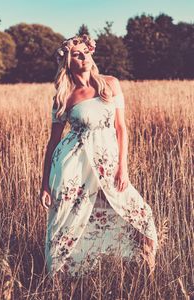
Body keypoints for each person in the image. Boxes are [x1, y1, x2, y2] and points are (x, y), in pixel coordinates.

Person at [39, 34, 158, 278]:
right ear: (66, 62)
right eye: (76, 54)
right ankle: (57, 276)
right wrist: (44, 185)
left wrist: (122, 168)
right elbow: (53, 143)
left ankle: (147, 272)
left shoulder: (110, 84)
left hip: (109, 165)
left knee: (141, 215)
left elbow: (121, 128)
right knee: (68, 221)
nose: (83, 57)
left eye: (86, 52)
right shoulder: (64, 97)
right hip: (73, 168)